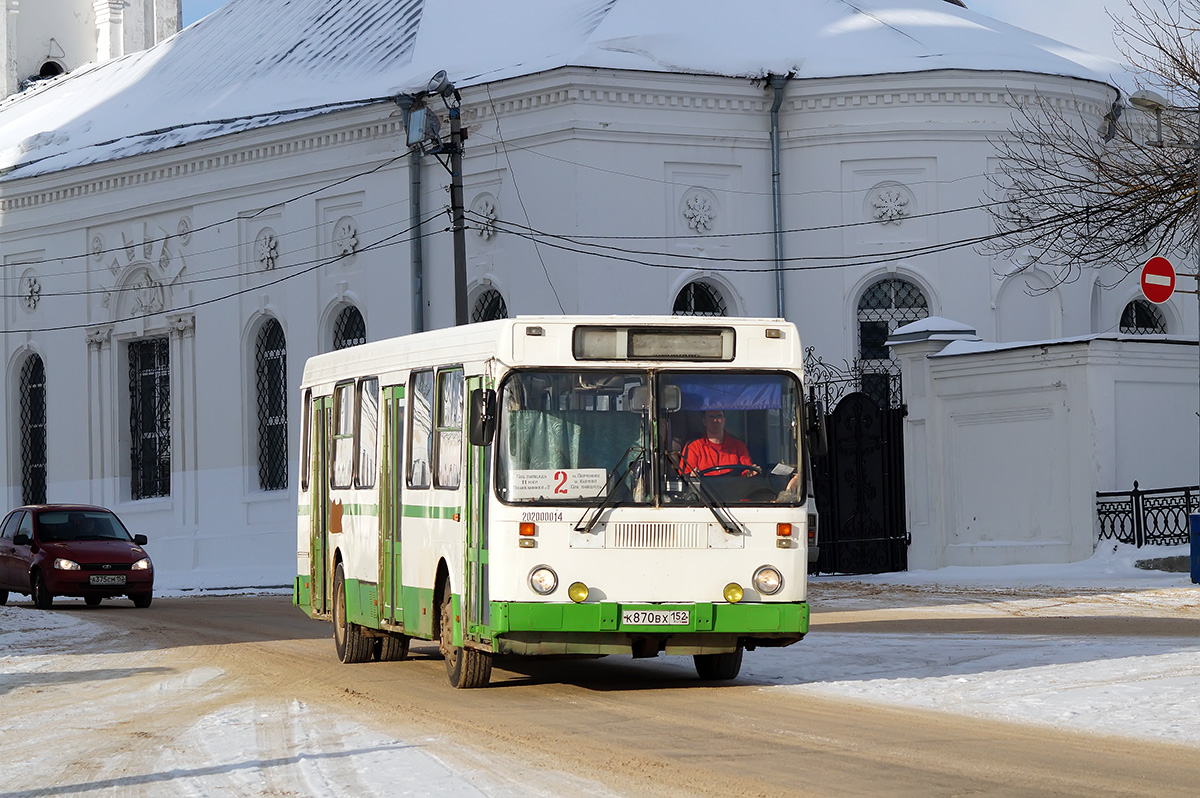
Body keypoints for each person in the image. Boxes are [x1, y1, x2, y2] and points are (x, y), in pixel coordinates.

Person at [679, 409, 754, 476]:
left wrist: (750, 473)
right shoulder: (693, 447)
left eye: (719, 417)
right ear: (704, 421)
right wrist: (692, 475)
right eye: (711, 417)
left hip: (733, 489)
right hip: (703, 490)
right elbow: (684, 475)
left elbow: (747, 472)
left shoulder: (739, 446)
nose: (715, 421)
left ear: (724, 420)